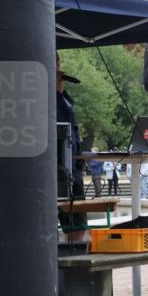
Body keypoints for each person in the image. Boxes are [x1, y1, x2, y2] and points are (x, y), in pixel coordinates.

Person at [56, 52, 88, 242]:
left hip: (73, 164)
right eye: (54, 62)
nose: (58, 66)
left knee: (79, 221)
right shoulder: (46, 96)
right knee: (68, 218)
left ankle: (77, 251)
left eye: (59, 61)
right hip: (58, 166)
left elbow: (72, 127)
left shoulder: (64, 96)